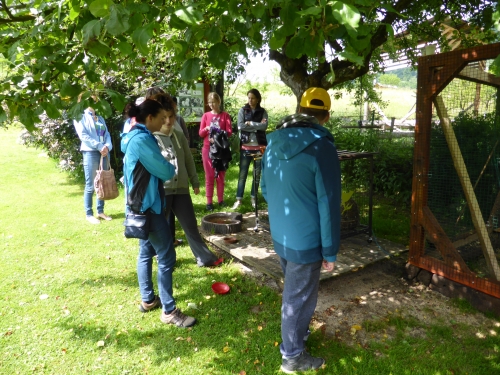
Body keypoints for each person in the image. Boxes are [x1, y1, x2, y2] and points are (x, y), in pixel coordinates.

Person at [261, 87, 340, 373]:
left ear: (300, 109)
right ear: (326, 116)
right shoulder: (323, 147)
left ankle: (297, 336)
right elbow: (328, 203)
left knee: (298, 293)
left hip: (281, 234)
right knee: (298, 296)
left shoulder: (273, 142)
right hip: (307, 240)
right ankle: (292, 356)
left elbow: (265, 189)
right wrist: (330, 250)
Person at [121, 99, 196, 328]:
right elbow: (165, 170)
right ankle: (170, 310)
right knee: (166, 257)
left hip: (138, 207)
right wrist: (169, 166)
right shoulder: (143, 140)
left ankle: (148, 300)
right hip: (149, 208)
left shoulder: (133, 136)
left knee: (146, 252)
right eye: (162, 118)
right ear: (150, 118)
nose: (167, 121)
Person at [151, 93, 223, 267]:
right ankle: (164, 258)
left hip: (181, 188)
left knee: (190, 225)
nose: (168, 121)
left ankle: (205, 258)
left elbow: (188, 160)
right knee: (160, 228)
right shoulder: (151, 137)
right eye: (164, 117)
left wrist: (195, 181)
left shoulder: (178, 134)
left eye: (171, 117)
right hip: (163, 189)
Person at [73, 107, 113, 224]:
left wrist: (107, 147)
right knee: (90, 185)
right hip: (91, 153)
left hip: (104, 152)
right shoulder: (80, 117)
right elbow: (83, 135)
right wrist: (100, 146)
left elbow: (107, 135)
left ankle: (100, 211)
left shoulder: (100, 118)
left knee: (103, 182)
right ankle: (89, 214)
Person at [232, 89, 268, 210]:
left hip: (259, 147)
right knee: (243, 174)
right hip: (246, 148)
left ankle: (254, 197)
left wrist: (251, 124)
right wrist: (256, 127)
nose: (250, 100)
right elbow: (240, 126)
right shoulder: (243, 110)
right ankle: (239, 199)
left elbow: (264, 126)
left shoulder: (263, 112)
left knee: (257, 174)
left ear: (258, 99)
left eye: (252, 98)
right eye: (248, 98)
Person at [199, 92, 232, 211]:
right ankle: (209, 202)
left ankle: (220, 200)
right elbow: (200, 133)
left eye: (214, 102)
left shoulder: (225, 116)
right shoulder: (206, 116)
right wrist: (206, 129)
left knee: (220, 176)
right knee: (210, 176)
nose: (212, 104)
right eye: (210, 102)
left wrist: (217, 132)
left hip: (221, 149)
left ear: (219, 102)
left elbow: (229, 132)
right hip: (208, 148)